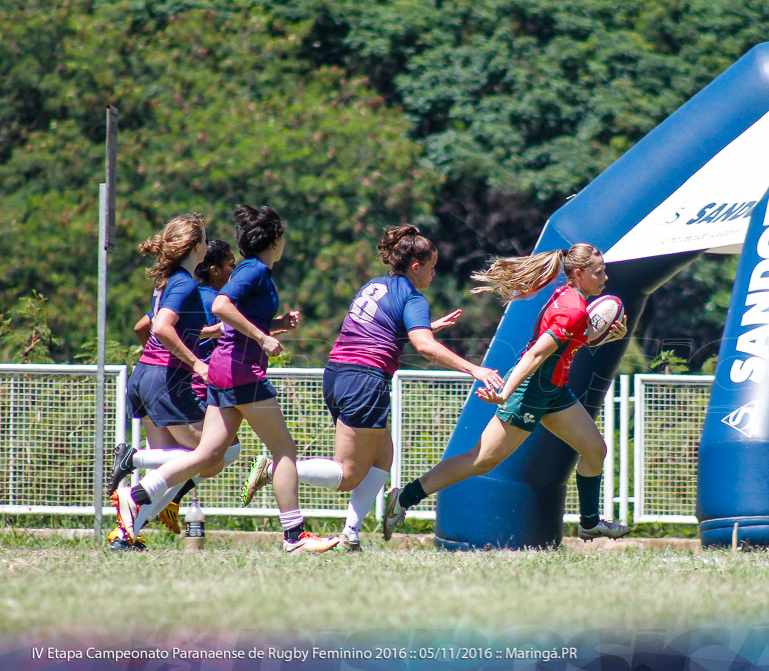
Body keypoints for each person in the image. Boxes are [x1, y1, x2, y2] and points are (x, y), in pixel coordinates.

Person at [239, 224, 503, 551]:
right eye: (432, 268)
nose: (434, 275)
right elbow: (425, 347)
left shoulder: (374, 285)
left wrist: (422, 327)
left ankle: (351, 534)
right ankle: (278, 468)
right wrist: (474, 369)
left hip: (337, 374)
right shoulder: (413, 296)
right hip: (365, 380)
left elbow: (378, 329)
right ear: (416, 267)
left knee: (383, 457)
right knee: (349, 474)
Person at [113, 204, 340, 555]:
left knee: (210, 454)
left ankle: (137, 495)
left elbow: (231, 318)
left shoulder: (250, 270)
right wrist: (263, 339)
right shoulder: (254, 271)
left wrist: (272, 327)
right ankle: (294, 536)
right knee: (284, 451)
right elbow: (221, 307)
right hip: (241, 372)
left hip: (224, 369)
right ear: (276, 241)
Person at [381, 243, 631, 542]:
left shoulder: (569, 297)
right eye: (599, 272)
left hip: (553, 389)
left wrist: (596, 339)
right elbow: (536, 355)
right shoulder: (573, 309)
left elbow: (559, 348)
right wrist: (504, 394)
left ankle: (590, 523)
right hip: (531, 389)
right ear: (578, 274)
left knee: (595, 449)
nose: (605, 278)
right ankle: (404, 497)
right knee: (482, 459)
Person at [108, 214, 228, 550]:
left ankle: (126, 534)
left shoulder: (168, 281)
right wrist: (197, 364)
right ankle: (132, 461)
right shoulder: (186, 283)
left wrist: (214, 332)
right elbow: (162, 327)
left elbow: (159, 328)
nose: (208, 244)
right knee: (215, 453)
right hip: (167, 380)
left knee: (171, 460)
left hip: (146, 375)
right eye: (204, 239)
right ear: (194, 247)